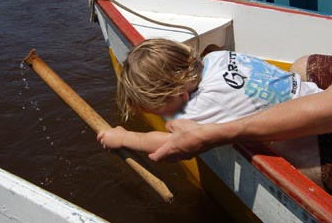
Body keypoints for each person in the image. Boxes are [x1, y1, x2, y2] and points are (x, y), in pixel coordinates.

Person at [97, 39, 326, 181]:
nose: (162, 116)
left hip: (318, 136)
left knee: (293, 160)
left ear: (180, 95)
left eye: (158, 110)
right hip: (313, 93)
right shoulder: (217, 57)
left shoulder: (201, 107)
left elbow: (169, 143)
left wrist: (125, 137)